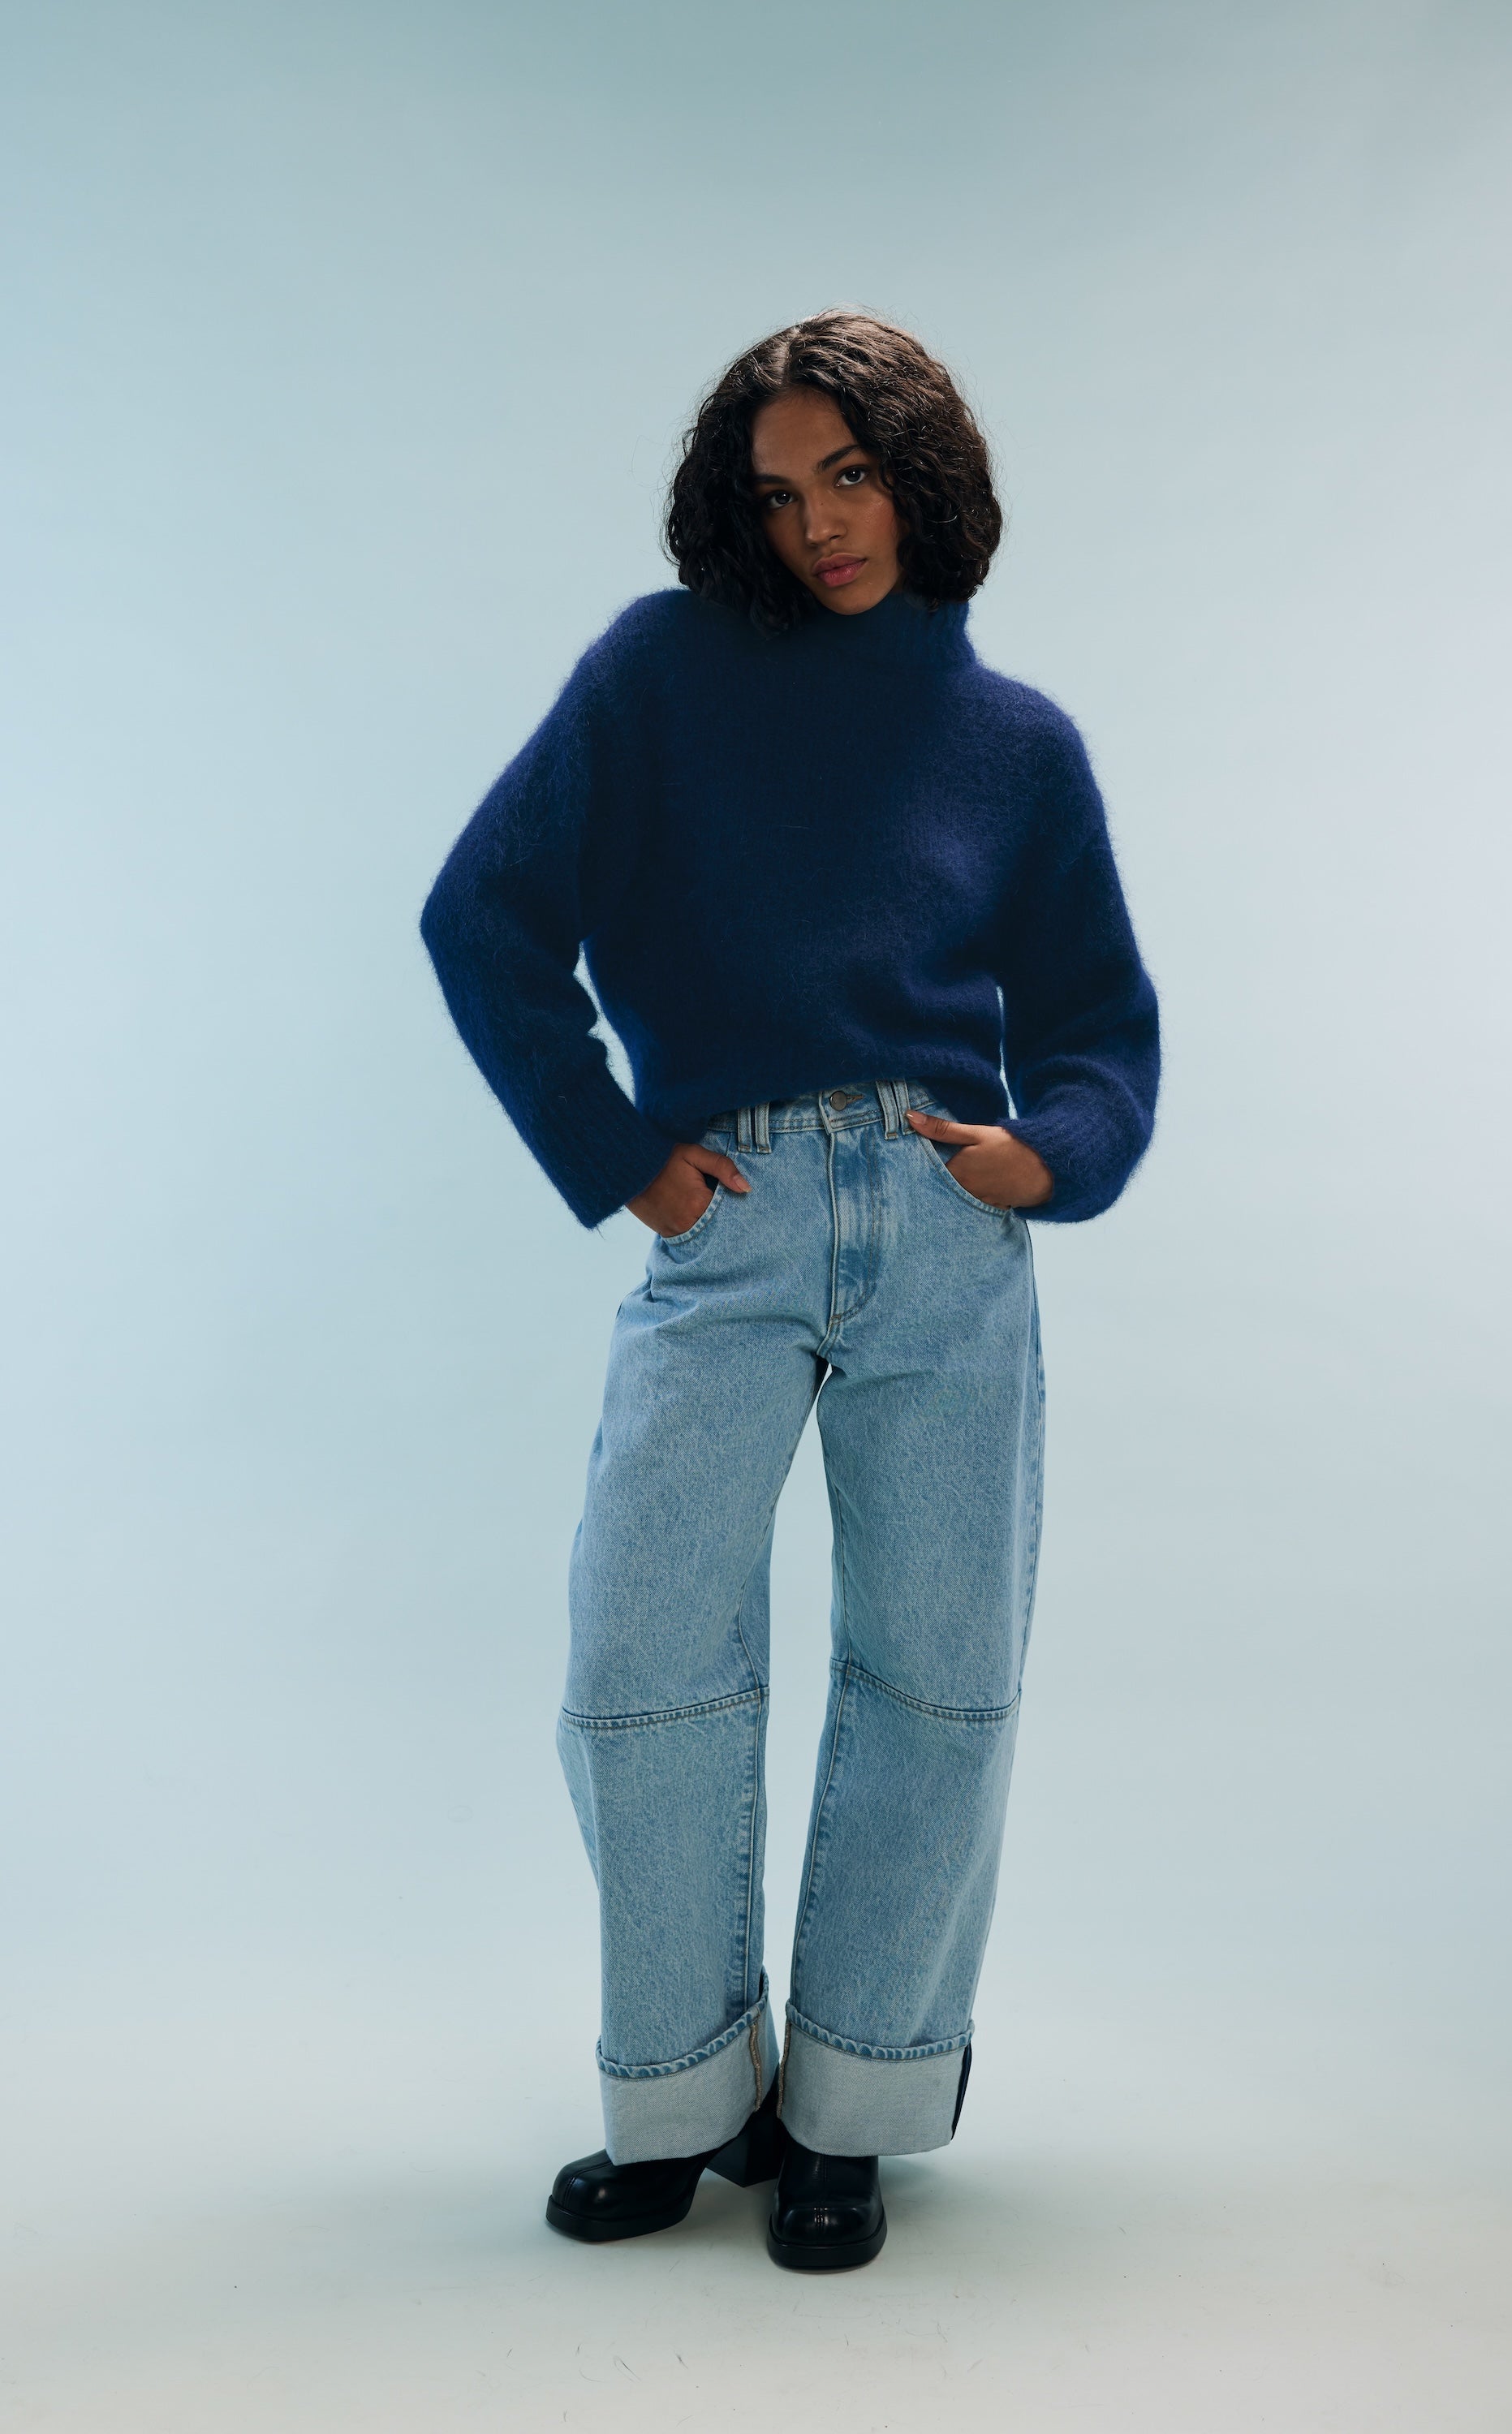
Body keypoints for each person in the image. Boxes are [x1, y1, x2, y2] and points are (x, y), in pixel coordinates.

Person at [419, 310, 1159, 2271]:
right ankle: (680, 2098)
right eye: (776, 493)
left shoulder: (1018, 747)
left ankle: (849, 2112)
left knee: (935, 1679)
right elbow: (482, 917)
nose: (820, 524)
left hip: (942, 1230)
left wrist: (1047, 1155)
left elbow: (1098, 1023)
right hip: (727, 1219)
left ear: (923, 478)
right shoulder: (658, 672)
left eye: (850, 475)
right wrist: (622, 1156)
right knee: (637, 1662)